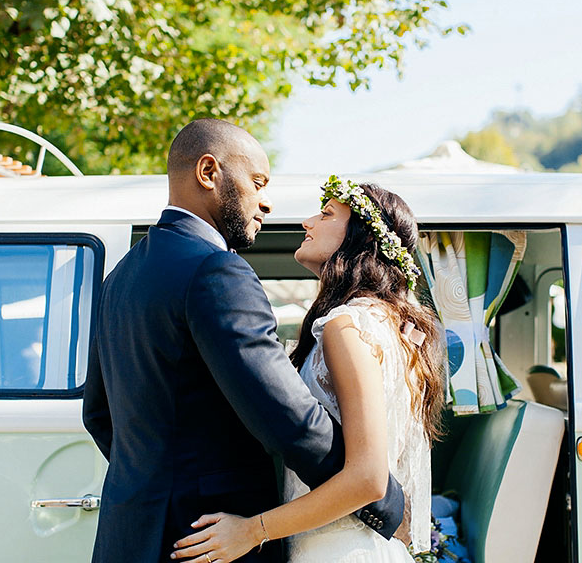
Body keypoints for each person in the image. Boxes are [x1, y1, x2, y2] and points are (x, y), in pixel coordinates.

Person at [82, 122, 403, 563]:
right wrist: (378, 493)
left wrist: (154, 480)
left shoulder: (120, 276)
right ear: (208, 172)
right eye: (257, 183)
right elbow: (286, 417)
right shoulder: (215, 271)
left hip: (127, 538)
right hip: (206, 541)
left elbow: (98, 414)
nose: (266, 202)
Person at [172, 176, 444, 562]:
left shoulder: (346, 325)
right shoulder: (394, 326)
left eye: (327, 213)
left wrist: (252, 531)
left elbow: (368, 478)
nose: (308, 222)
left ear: (361, 238)